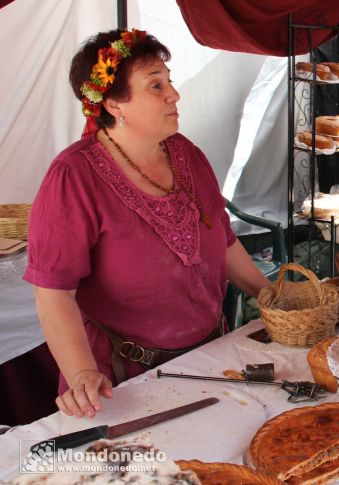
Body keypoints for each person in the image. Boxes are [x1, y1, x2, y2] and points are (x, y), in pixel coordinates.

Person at [23, 29, 271, 419]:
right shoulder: (73, 177)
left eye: (169, 81)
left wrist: (268, 292)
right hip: (124, 381)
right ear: (113, 103)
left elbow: (221, 237)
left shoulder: (186, 154)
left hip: (210, 359)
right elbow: (53, 292)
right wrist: (82, 372)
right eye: (156, 85)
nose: (174, 94)